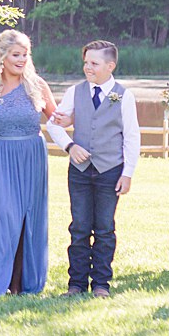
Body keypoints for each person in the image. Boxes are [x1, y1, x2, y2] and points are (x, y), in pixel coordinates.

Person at [45, 41, 140, 297]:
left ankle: (101, 285)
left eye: (94, 64)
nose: (88, 67)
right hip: (79, 171)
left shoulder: (124, 95)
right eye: (86, 62)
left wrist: (128, 172)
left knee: (105, 228)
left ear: (111, 66)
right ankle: (76, 284)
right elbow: (54, 124)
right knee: (79, 227)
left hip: (110, 170)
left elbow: (131, 136)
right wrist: (69, 146)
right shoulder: (75, 92)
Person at [0, 30, 55, 296]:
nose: (21, 59)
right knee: (2, 217)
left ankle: (21, 283)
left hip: (31, 156)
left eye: (25, 54)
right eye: (16, 55)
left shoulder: (36, 85)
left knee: (28, 218)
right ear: (2, 57)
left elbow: (57, 119)